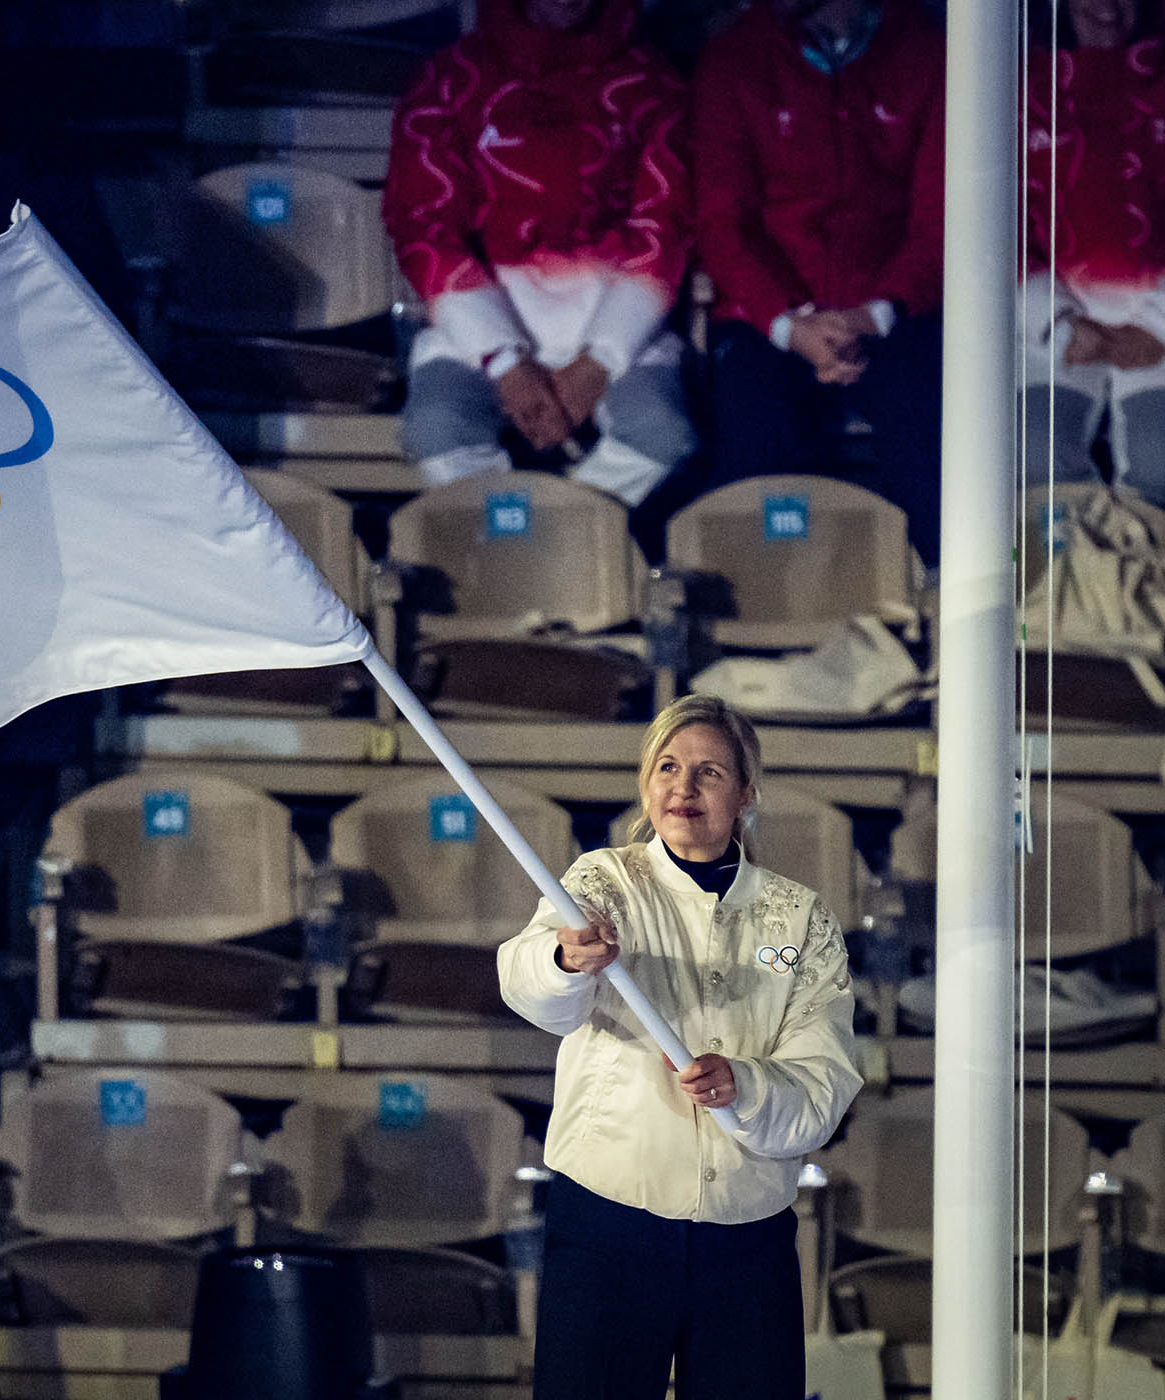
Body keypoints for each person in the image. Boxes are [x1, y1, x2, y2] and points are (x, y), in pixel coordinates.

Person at [496, 695, 862, 1400]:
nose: (683, 787)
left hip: (748, 1238)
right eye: (667, 767)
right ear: (646, 784)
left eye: (709, 772)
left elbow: (825, 1077)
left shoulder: (800, 918)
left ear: (746, 795)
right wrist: (566, 960)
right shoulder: (604, 882)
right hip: (608, 1225)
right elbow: (527, 985)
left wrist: (745, 1085)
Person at [381, 0, 697, 507]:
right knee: (437, 429)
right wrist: (504, 361)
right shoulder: (450, 78)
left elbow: (664, 225)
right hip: (478, 333)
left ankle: (566, 527)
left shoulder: (651, 82)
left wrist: (600, 360)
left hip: (615, 327)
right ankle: (507, 533)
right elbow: (425, 226)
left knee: (659, 432)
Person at [693, 0, 945, 563]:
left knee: (930, 442)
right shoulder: (734, 60)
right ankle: (775, 607)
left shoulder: (927, 55)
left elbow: (941, 215)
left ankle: (937, 597)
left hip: (894, 309)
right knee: (756, 445)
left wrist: (876, 313)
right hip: (768, 316)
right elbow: (722, 223)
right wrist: (790, 325)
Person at [1025, 0, 1165, 503]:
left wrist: (1156, 325)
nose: (1107, 4)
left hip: (1155, 324)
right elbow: (998, 231)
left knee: (1159, 459)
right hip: (1053, 323)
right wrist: (1057, 322)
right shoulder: (1021, 89)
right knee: (1035, 453)